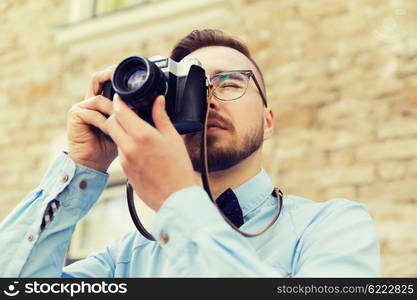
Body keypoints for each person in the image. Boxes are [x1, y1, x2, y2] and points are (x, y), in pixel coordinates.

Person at [0, 29, 380, 277]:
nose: (208, 98)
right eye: (191, 85)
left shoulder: (331, 226)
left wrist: (177, 200)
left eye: (229, 82)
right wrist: (81, 166)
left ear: (267, 122)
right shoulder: (125, 258)